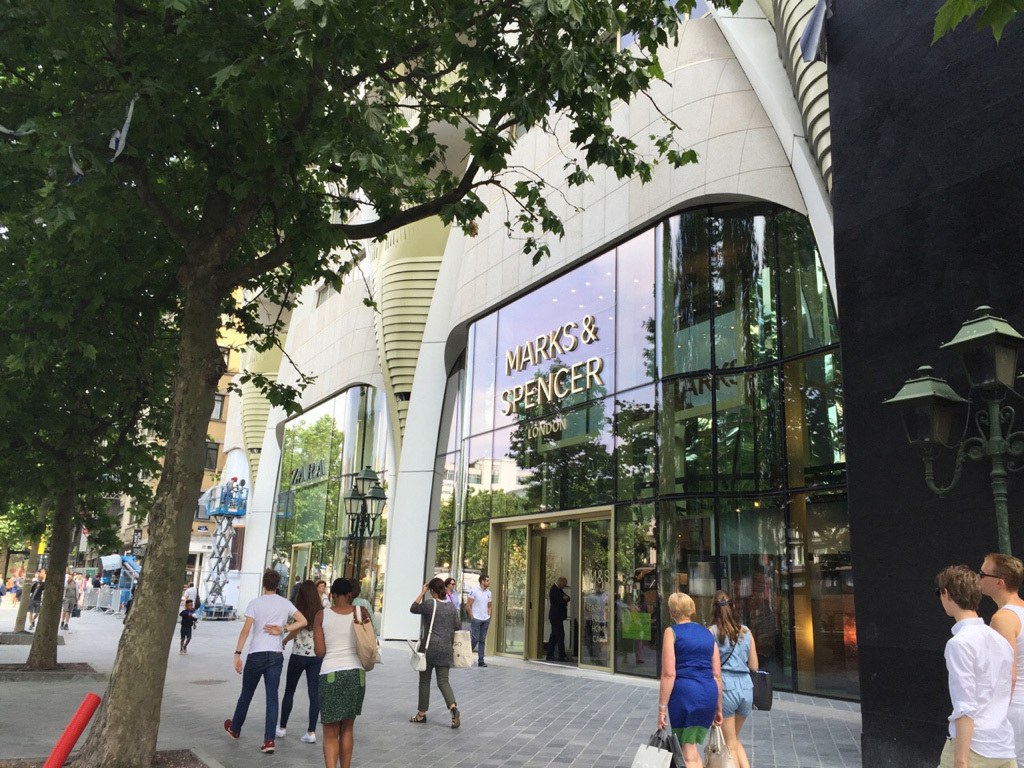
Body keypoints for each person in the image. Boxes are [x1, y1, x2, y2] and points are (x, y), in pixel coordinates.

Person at [936, 564, 1015, 768]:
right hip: (1003, 747)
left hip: (973, 749)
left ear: (947, 594)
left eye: (940, 593)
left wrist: (960, 761)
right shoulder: (1000, 641)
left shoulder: (959, 643)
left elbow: (965, 707)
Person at [224, 569, 308, 754]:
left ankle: (235, 728)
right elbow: (303, 621)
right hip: (275, 654)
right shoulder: (285, 603)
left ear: (264, 583)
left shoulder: (255, 603)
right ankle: (269, 740)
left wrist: (237, 653)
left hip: (256, 653)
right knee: (272, 698)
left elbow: (246, 630)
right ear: (278, 584)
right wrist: (284, 628)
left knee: (246, 693)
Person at [658, 592, 722, 767]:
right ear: (692, 610)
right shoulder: (708, 634)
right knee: (691, 748)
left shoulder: (671, 632)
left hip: (685, 696)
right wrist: (719, 707)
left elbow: (669, 674)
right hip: (708, 693)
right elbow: (717, 675)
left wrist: (662, 708)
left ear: (671, 612)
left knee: (687, 753)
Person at [314, 578, 371, 768]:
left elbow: (320, 651)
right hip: (356, 674)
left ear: (333, 594)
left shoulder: (322, 616)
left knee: (330, 732)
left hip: (331, 673)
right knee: (347, 729)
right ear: (350, 595)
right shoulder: (359, 612)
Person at [980, 553, 1024, 768]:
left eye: (982, 573)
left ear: (1000, 583)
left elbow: (1009, 674)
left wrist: (993, 714)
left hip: (1014, 707)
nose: (978, 578)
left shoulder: (1003, 618)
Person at [709, 590, 757, 768]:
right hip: (746, 687)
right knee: (734, 740)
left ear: (713, 609)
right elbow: (754, 666)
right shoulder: (746, 632)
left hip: (726, 687)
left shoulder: (711, 632)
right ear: (733, 607)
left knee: (728, 745)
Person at [409, 577, 461, 728]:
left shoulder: (430, 604)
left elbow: (413, 608)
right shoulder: (451, 607)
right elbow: (457, 626)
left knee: (424, 681)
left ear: (432, 591)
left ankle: (421, 714)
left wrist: (421, 592)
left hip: (429, 649)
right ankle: (453, 708)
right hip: (446, 649)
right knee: (443, 681)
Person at [278, 580, 324, 745]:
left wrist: (285, 640)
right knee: (314, 694)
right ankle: (311, 731)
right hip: (316, 657)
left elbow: (295, 630)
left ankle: (282, 727)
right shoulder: (321, 612)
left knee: (289, 691)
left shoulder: (298, 611)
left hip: (298, 655)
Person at [466, 574, 491, 667]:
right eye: (487, 581)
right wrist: (472, 616)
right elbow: (468, 605)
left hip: (485, 619)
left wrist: (489, 615)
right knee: (475, 638)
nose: (489, 582)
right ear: (482, 582)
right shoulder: (474, 591)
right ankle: (467, 655)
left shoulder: (489, 593)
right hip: (476, 618)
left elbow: (489, 605)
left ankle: (481, 661)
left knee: (482, 640)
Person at [547, 576, 571, 661]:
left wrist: (565, 598)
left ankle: (550, 654)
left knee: (554, 635)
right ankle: (561, 655)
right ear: (560, 582)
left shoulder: (559, 590)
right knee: (560, 635)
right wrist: (564, 599)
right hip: (555, 616)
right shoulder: (554, 590)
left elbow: (567, 597)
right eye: (564, 584)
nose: (565, 586)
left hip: (557, 616)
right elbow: (561, 600)